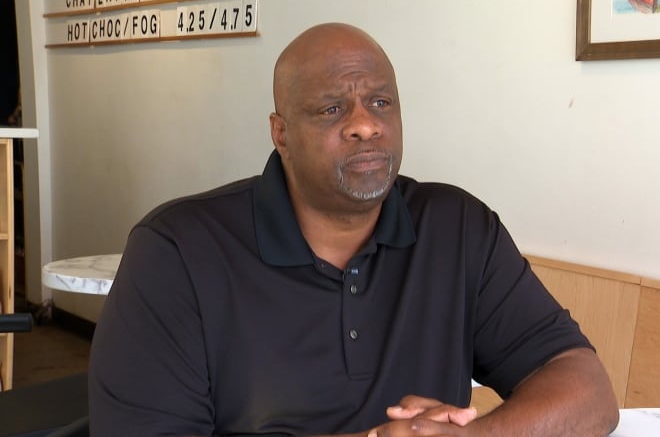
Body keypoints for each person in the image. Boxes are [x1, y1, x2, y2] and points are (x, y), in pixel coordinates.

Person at [88, 23, 619, 436]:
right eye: (331, 108)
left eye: (380, 102)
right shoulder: (177, 250)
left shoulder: (456, 228)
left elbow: (587, 390)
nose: (365, 123)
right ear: (281, 133)